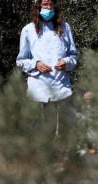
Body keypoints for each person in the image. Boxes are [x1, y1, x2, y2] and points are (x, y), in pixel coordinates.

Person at [15, 0, 79, 131]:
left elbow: (74, 55)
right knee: (39, 133)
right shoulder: (28, 30)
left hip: (61, 89)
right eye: (45, 4)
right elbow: (21, 61)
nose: (49, 8)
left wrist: (66, 62)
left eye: (51, 4)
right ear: (38, 6)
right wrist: (35, 64)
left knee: (63, 132)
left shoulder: (65, 28)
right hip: (38, 91)